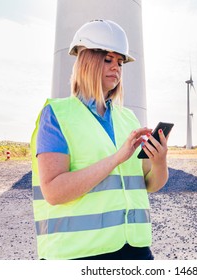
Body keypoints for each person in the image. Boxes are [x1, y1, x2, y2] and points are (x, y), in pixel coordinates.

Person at [30, 19, 170, 260]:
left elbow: (149, 185)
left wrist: (160, 161)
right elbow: (53, 191)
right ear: (86, 61)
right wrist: (116, 158)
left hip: (134, 248)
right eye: (108, 59)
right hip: (78, 253)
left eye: (120, 62)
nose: (116, 67)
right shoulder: (57, 115)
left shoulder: (128, 118)